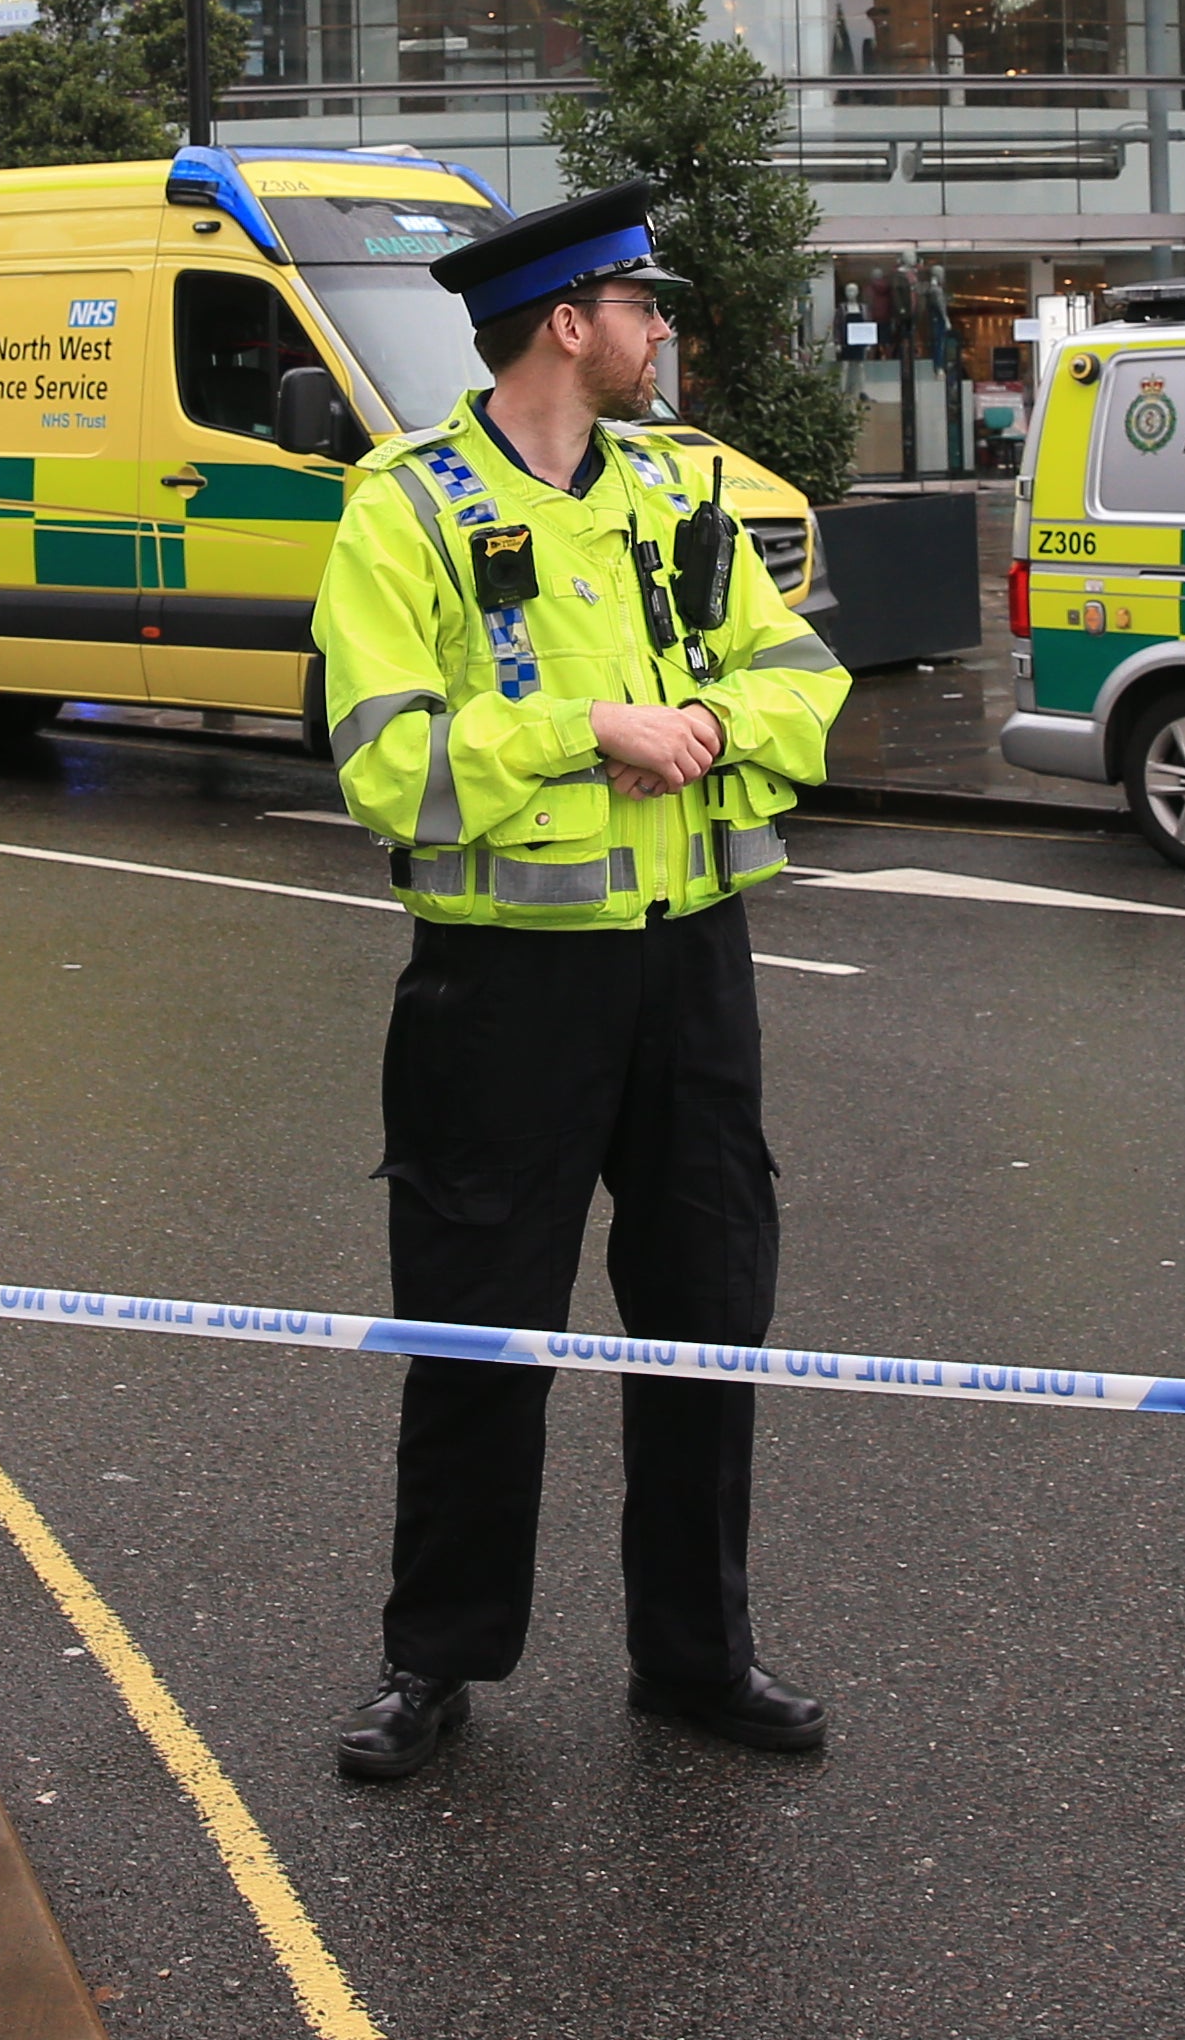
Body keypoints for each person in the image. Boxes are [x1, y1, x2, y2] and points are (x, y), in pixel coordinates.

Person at [309, 182, 851, 1786]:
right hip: (505, 989)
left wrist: (704, 733)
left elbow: (802, 686)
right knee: (482, 1332)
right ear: (569, 324)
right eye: (641, 307)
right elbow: (382, 760)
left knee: (708, 1325)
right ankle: (436, 1661)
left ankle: (697, 1659)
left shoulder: (677, 494)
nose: (661, 331)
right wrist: (585, 731)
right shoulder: (401, 509)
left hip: (690, 973)